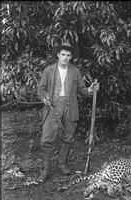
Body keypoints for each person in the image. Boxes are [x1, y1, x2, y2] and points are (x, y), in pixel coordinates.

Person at [37, 42, 100, 182]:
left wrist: (89, 90)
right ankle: (46, 170)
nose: (65, 57)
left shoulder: (75, 71)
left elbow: (81, 89)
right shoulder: (49, 70)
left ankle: (62, 164)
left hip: (70, 106)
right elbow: (41, 89)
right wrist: (45, 98)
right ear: (58, 55)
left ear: (71, 57)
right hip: (53, 106)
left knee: (68, 137)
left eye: (68, 55)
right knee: (47, 139)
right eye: (63, 54)